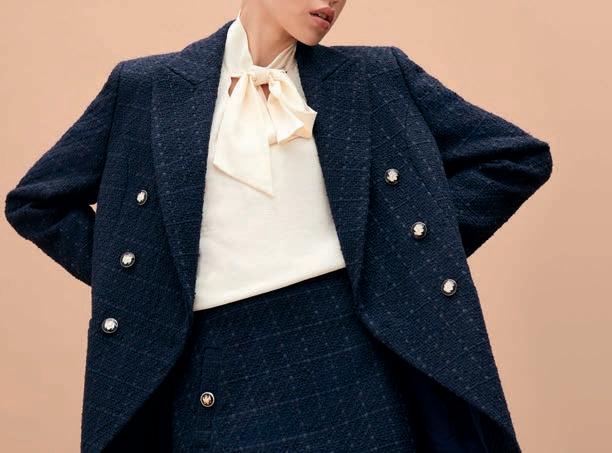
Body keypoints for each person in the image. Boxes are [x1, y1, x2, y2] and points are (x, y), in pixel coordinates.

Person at [4, 1, 553, 452]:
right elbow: (38, 202)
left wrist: (400, 256)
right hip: (215, 368)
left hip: (354, 362)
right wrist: (147, 287)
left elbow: (514, 158)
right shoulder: (145, 88)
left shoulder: (376, 76)